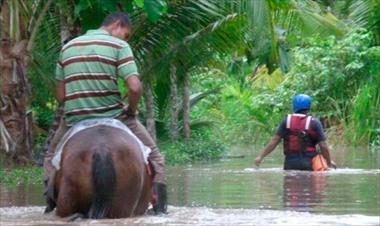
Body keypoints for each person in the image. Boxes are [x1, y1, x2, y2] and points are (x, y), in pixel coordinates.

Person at [43, 12, 167, 214]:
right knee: (156, 157)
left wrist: (78, 105)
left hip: (75, 119)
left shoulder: (67, 48)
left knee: (50, 157)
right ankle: (160, 210)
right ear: (117, 25)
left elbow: (61, 95)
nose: (125, 39)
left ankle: (50, 204)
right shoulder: (119, 46)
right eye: (126, 34)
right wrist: (131, 111)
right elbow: (135, 88)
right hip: (114, 116)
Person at [255, 94, 336, 170]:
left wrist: (261, 157)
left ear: (294, 106)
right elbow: (323, 146)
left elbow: (275, 141)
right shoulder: (314, 122)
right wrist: (328, 162)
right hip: (308, 163)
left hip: (290, 163)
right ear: (309, 107)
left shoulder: (286, 121)